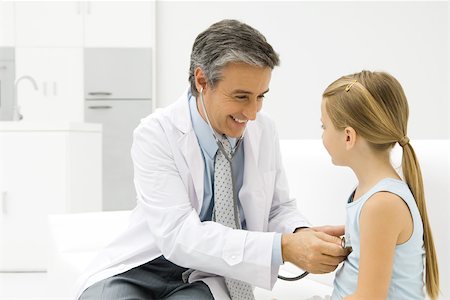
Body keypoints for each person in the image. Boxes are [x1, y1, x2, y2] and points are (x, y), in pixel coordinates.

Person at [75, 19, 348, 300]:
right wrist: (283, 247)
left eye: (260, 97)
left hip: (206, 276)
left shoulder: (264, 130)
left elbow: (277, 209)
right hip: (143, 267)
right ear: (202, 81)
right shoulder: (156, 133)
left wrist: (301, 234)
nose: (252, 113)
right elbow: (179, 235)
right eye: (241, 97)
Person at [320, 70, 440, 299]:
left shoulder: (382, 204)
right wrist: (349, 236)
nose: (323, 135)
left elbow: (369, 297)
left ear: (348, 137)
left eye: (323, 127)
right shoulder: (374, 195)